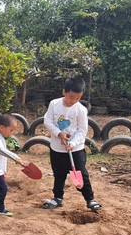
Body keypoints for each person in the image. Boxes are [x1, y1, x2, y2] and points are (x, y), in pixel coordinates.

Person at [42, 77, 102, 211]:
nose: (73, 101)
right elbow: (48, 121)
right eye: (70, 97)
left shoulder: (80, 109)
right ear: (64, 92)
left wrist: (73, 143)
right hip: (57, 149)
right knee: (59, 174)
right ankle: (57, 198)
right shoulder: (54, 104)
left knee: (81, 174)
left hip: (76, 150)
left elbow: (82, 130)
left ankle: (90, 199)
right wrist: (59, 133)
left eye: (77, 98)